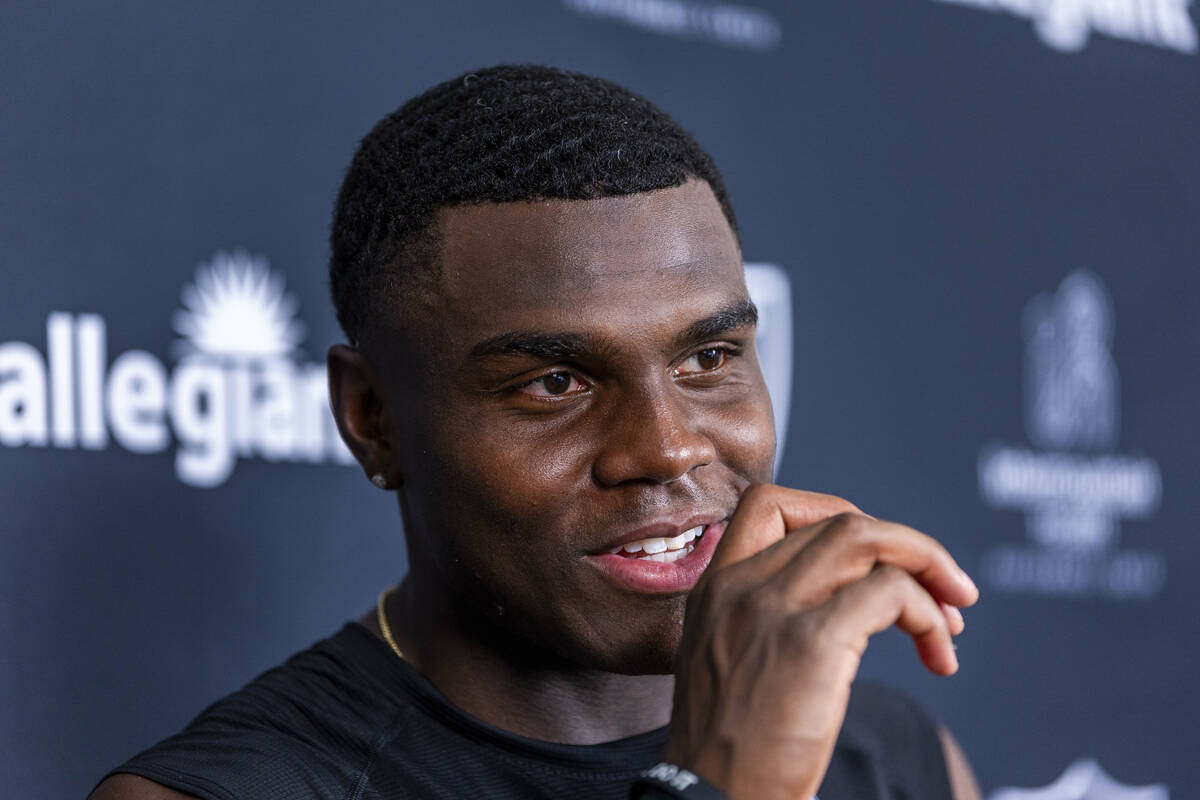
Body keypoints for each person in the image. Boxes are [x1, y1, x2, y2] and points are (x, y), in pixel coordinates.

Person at [90, 64, 982, 800]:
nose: (668, 447)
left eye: (708, 359)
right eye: (556, 383)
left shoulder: (889, 754)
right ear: (373, 421)